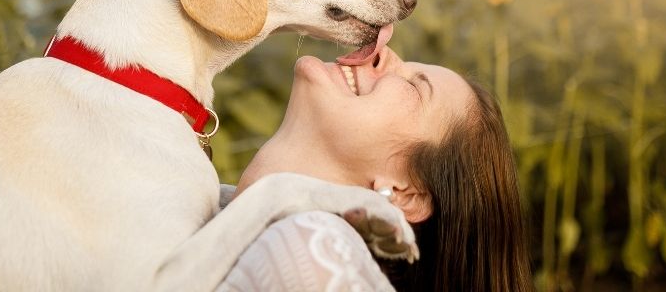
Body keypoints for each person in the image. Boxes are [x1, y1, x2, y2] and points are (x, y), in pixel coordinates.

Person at [217, 46, 534, 292]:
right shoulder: (205, 201)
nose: (381, 50)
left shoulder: (314, 251)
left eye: (414, 88)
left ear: (405, 193)